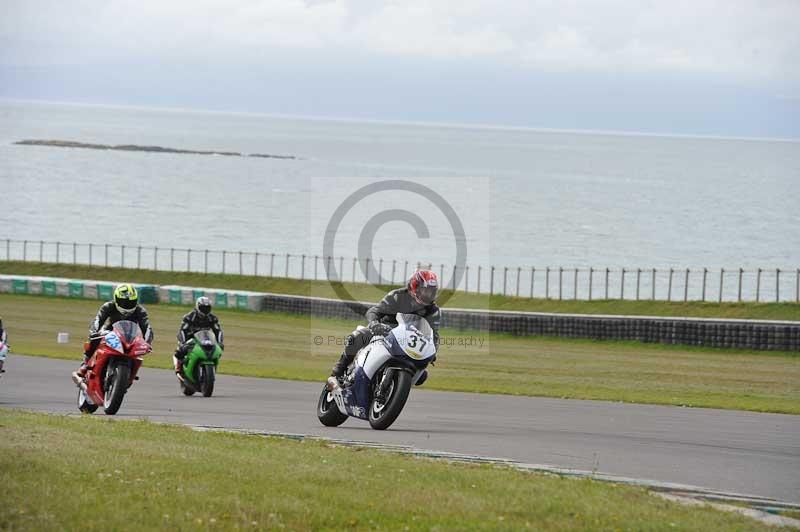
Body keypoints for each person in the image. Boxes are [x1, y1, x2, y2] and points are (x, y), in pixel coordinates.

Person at [330, 269, 441, 381]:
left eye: (431, 291)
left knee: (422, 375)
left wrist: (432, 351)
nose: (428, 294)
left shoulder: (433, 310)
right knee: (357, 336)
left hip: (406, 344)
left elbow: (434, 335)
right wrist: (374, 324)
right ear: (414, 287)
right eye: (425, 290)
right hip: (383, 333)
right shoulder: (397, 296)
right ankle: (340, 367)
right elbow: (374, 311)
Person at [76, 284, 154, 377]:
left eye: (131, 302)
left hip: (129, 336)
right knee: (93, 339)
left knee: (138, 353)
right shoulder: (108, 306)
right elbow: (97, 320)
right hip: (110, 332)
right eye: (124, 302)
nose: (127, 305)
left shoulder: (140, 311)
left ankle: (130, 375)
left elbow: (147, 328)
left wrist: (147, 342)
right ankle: (85, 363)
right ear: (116, 299)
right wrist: (94, 332)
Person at [173, 296, 224, 374]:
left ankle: (212, 366)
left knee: (217, 350)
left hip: (205, 338)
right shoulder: (189, 317)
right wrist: (182, 343)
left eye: (207, 308)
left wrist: (220, 342)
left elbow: (218, 331)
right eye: (203, 308)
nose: (205, 310)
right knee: (181, 351)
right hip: (190, 338)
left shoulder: (212, 318)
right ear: (197, 307)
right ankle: (179, 365)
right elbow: (183, 330)